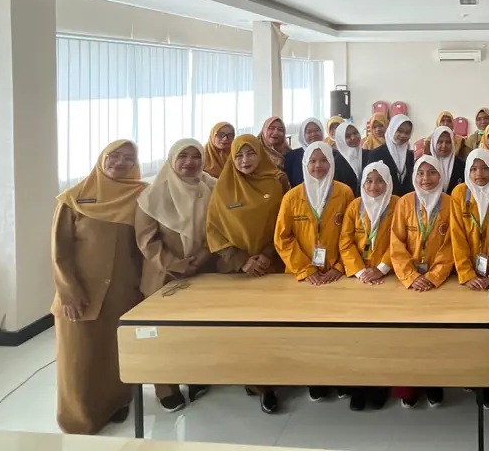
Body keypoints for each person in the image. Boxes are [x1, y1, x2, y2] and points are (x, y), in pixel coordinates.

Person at [52, 140, 146, 434]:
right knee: (78, 360)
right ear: (101, 159)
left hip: (122, 293)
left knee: (114, 355)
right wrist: (69, 292)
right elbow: (60, 252)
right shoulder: (73, 198)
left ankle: (117, 403)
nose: (120, 163)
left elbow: (144, 247)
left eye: (128, 158)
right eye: (114, 156)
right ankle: (78, 421)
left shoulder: (141, 196)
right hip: (81, 295)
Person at [206, 134, 287, 414]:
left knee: (275, 328)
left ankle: (282, 376)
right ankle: (260, 385)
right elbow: (213, 230)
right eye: (239, 155)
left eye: (250, 153)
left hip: (273, 266)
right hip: (238, 273)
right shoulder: (223, 187)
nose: (245, 160)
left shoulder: (276, 182)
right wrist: (242, 261)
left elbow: (285, 221)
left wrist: (267, 255)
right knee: (248, 331)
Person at [135, 139, 216, 412]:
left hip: (203, 271)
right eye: (183, 156)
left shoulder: (211, 187)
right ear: (171, 159)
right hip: (163, 276)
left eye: (196, 156)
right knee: (163, 333)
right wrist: (177, 265)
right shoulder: (152, 195)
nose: (190, 162)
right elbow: (147, 240)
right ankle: (165, 388)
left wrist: (200, 260)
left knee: (196, 331)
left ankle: (196, 376)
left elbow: (218, 229)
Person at [274, 142, 355, 402]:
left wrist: (340, 266)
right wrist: (305, 269)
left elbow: (352, 233)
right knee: (308, 332)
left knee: (338, 332)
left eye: (324, 161)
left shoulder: (344, 193)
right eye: (313, 161)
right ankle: (315, 379)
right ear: (305, 164)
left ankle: (340, 377)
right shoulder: (292, 197)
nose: (318, 166)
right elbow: (282, 238)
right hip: (303, 278)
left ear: (331, 163)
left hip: (336, 277)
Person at [389, 156, 454, 408]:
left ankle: (435, 383)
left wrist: (434, 276)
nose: (426, 179)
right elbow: (396, 242)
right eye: (421, 173)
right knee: (406, 338)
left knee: (436, 337)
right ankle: (409, 386)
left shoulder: (450, 203)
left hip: (439, 282)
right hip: (409, 283)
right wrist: (411, 276)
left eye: (432, 173)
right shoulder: (405, 202)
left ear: (440, 175)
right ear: (414, 176)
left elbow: (452, 244)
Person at [450, 148, 489, 410]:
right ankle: (473, 377)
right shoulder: (459, 193)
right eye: (474, 169)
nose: (479, 174)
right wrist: (466, 274)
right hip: (469, 278)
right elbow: (456, 235)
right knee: (471, 331)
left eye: (485, 168)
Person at [339, 161, 399, 411]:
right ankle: (358, 385)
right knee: (357, 337)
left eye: (380, 181)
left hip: (388, 278)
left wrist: (382, 268)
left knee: (383, 337)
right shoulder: (355, 205)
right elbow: (345, 242)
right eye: (369, 181)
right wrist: (361, 271)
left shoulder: (397, 205)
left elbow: (400, 240)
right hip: (359, 280)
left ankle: (380, 386)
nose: (374, 186)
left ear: (388, 182)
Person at [283, 117, 359, 196]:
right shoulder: (292, 157)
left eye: (317, 130)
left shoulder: (335, 155)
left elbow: (348, 181)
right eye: (309, 132)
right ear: (303, 135)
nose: (313, 134)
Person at [364, 113, 415, 197]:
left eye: (407, 133)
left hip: (405, 202)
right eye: (399, 131)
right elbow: (370, 182)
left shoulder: (409, 155)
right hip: (384, 201)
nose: (403, 135)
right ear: (392, 129)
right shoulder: (376, 154)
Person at [432, 125, 466, 194]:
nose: (444, 146)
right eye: (440, 142)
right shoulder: (426, 164)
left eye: (448, 142)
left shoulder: (461, 165)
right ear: (434, 143)